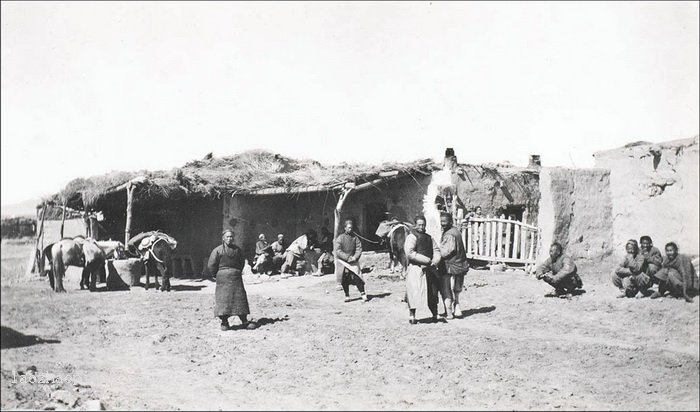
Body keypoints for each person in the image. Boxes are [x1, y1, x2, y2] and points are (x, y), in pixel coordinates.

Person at [207, 230, 257, 331]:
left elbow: (241, 262)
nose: (229, 238)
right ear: (223, 238)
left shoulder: (238, 250)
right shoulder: (217, 250)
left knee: (240, 298)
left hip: (235, 277)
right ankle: (224, 323)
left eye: (231, 237)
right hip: (222, 278)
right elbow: (211, 265)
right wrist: (216, 275)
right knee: (223, 300)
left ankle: (244, 321)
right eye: (227, 237)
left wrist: (236, 271)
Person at [404, 215, 441, 324]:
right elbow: (410, 253)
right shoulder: (411, 237)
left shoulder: (429, 238)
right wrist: (426, 260)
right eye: (419, 225)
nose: (421, 227)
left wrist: (435, 261)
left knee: (432, 292)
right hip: (416, 268)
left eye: (423, 225)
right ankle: (412, 315)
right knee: (414, 292)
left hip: (429, 269)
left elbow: (436, 250)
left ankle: (435, 313)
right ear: (415, 225)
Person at [438, 212, 469, 319]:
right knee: (457, 289)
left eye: (444, 222)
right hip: (460, 264)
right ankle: (457, 308)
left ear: (450, 222)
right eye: (441, 222)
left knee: (446, 288)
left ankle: (450, 312)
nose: (442, 224)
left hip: (450, 266)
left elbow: (446, 251)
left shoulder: (449, 234)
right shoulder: (456, 231)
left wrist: (436, 253)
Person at [334, 220, 368, 302]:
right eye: (349, 228)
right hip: (343, 261)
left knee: (357, 276)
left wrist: (355, 257)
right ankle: (347, 296)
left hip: (353, 260)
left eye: (351, 228)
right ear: (345, 228)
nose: (350, 229)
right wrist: (347, 257)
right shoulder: (340, 238)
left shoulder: (355, 238)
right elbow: (338, 250)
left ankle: (363, 294)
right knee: (344, 277)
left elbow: (359, 248)